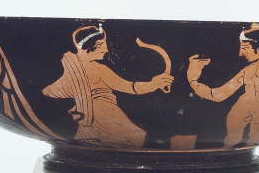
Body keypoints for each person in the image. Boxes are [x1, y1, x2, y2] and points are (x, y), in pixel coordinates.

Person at [42, 25, 173, 148]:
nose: (106, 49)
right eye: (102, 44)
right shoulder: (97, 69)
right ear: (91, 45)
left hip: (87, 119)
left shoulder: (71, 70)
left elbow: (48, 91)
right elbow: (131, 87)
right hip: (105, 115)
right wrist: (154, 84)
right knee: (136, 138)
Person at [187, 24, 259, 147]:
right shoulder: (249, 70)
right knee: (233, 136)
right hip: (242, 117)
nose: (241, 53)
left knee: (255, 135)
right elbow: (219, 95)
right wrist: (193, 80)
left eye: (245, 47)